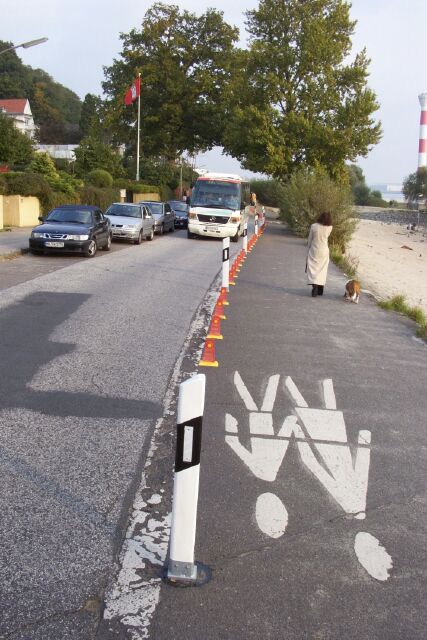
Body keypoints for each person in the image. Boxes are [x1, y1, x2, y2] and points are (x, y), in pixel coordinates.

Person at [306, 212, 333, 297]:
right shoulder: (329, 228)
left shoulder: (313, 226)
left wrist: (308, 250)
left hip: (314, 249)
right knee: (322, 269)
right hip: (324, 250)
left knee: (313, 268)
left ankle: (315, 287)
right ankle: (320, 289)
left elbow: (310, 239)